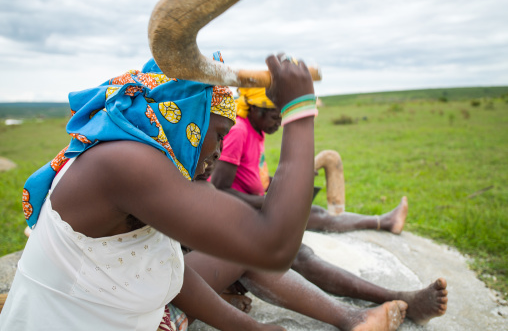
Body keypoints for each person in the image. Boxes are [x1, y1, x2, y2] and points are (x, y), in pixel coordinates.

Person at [0, 54, 409, 331]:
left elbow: (169, 270)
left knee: (239, 252)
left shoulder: (139, 156)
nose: (216, 151)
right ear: (186, 120)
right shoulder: (126, 163)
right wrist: (299, 111)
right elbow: (275, 247)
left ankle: (353, 318)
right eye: (216, 134)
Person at [210, 87, 448, 325]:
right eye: (275, 115)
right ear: (254, 108)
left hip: (255, 209)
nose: (280, 122)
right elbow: (219, 188)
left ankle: (384, 225)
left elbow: (251, 178)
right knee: (296, 252)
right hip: (246, 214)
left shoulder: (255, 132)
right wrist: (271, 201)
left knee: (309, 224)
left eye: (282, 116)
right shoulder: (239, 131)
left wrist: (280, 187)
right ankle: (392, 299)